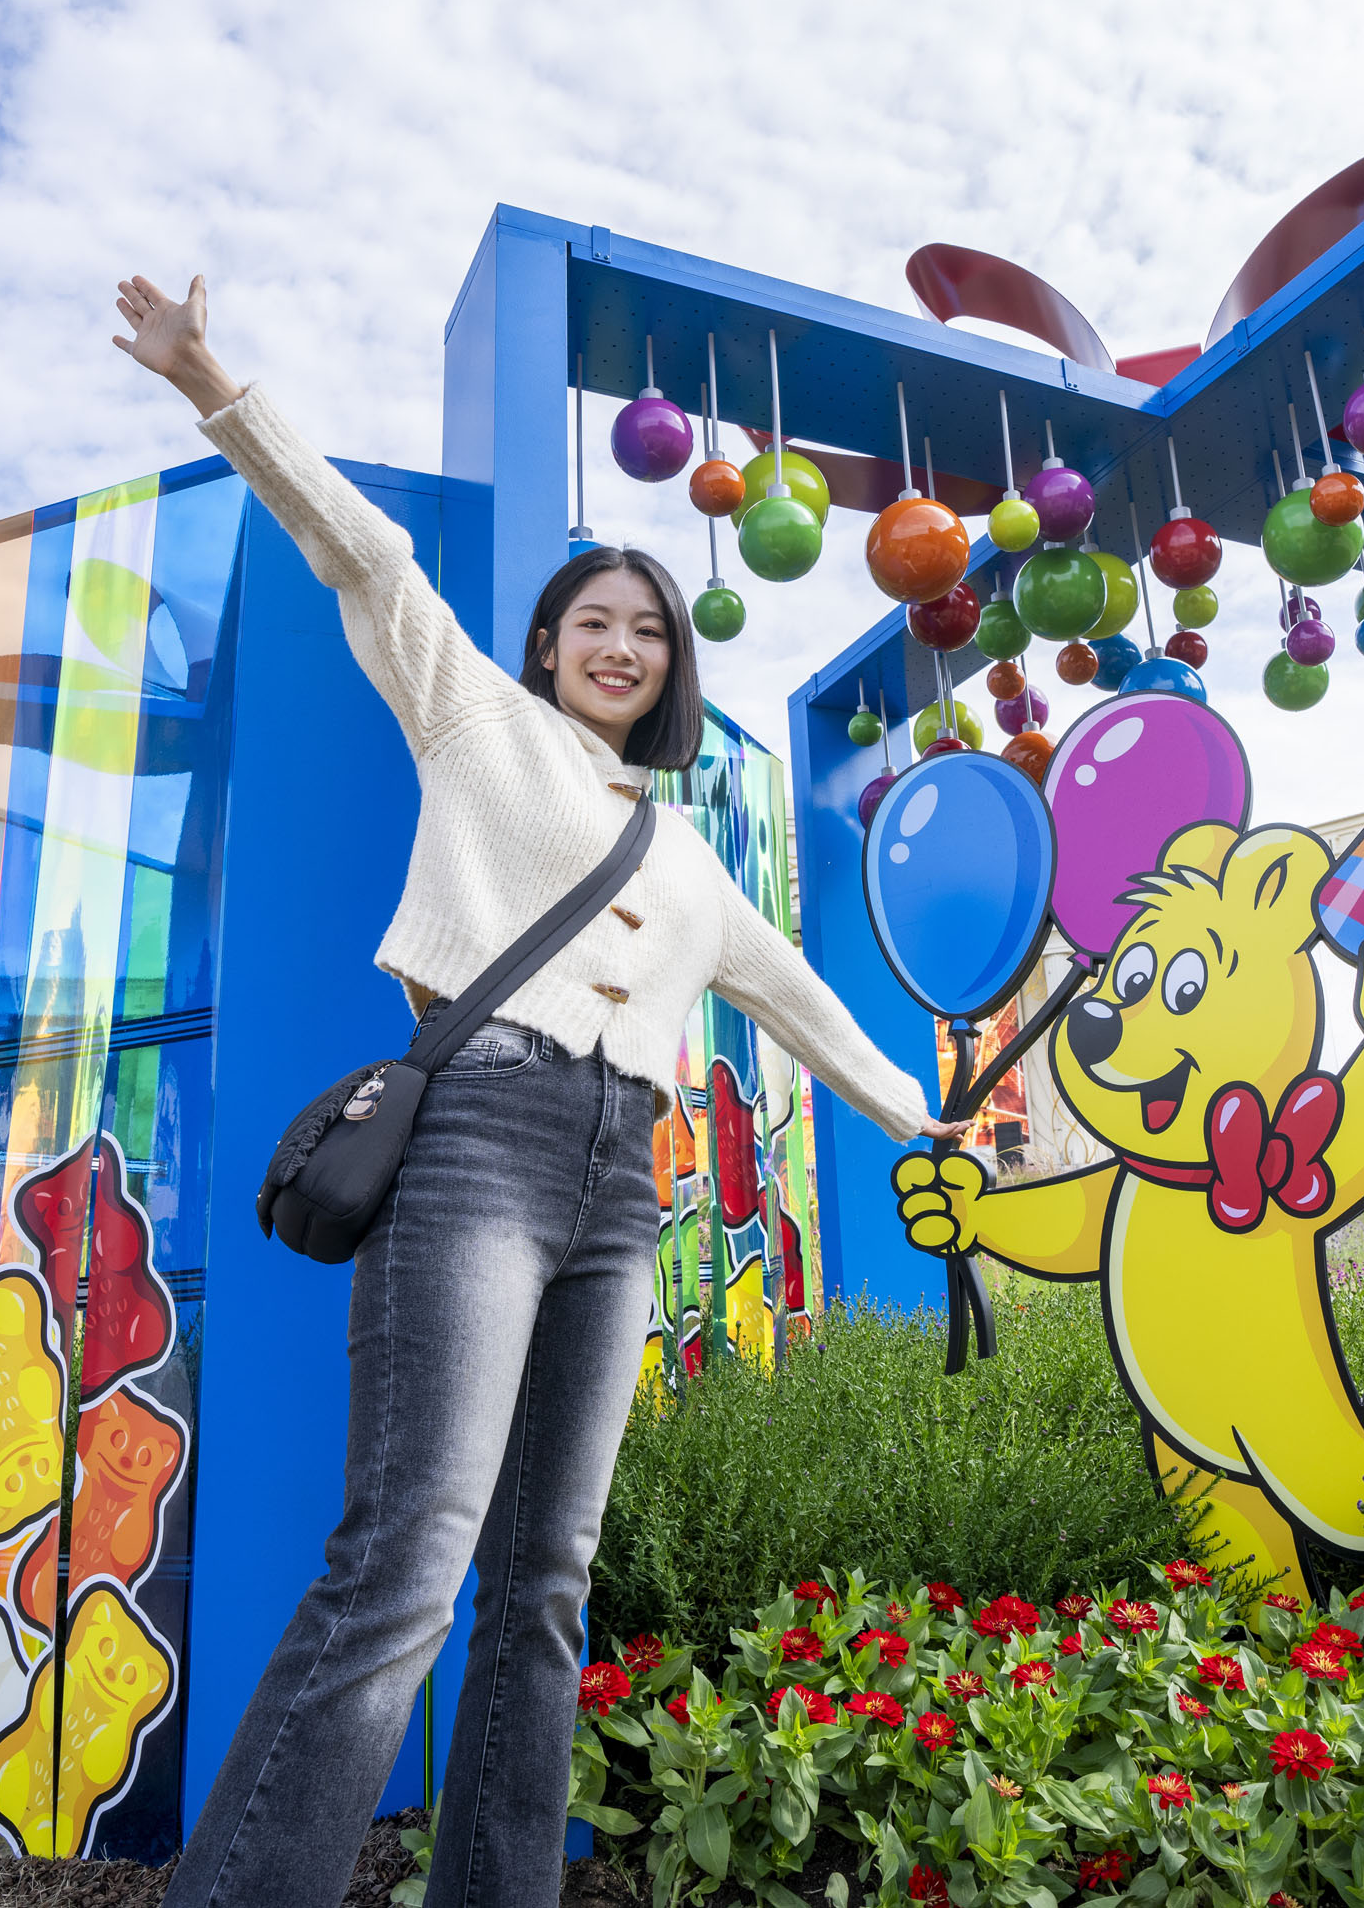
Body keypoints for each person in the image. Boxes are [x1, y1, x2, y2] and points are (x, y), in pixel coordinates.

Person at [111, 273, 964, 1908]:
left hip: (623, 1182)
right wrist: (214, 381)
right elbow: (367, 555)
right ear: (550, 644)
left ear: (669, 668)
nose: (621, 645)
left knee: (547, 1584)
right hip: (478, 1141)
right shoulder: (474, 721)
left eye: (648, 630)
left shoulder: (693, 861)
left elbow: (799, 1001)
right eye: (595, 621)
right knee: (410, 1559)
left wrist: (917, 1116)